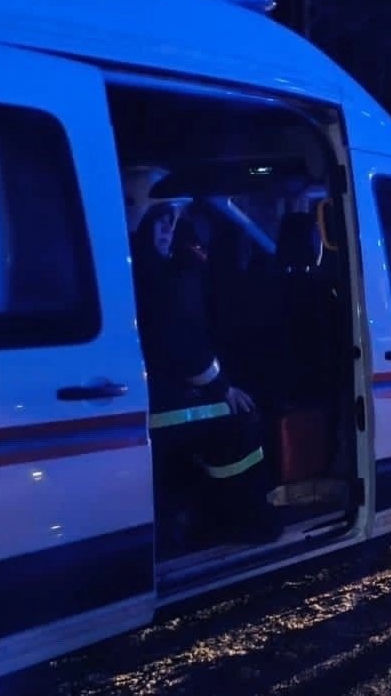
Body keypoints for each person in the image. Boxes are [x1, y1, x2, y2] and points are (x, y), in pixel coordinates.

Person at [125, 167, 277, 549]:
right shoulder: (157, 273)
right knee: (241, 416)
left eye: (174, 219)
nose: (169, 228)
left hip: (147, 391)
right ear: (139, 219)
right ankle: (239, 520)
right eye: (161, 218)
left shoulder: (135, 263)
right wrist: (222, 387)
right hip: (155, 400)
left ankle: (196, 509)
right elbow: (181, 346)